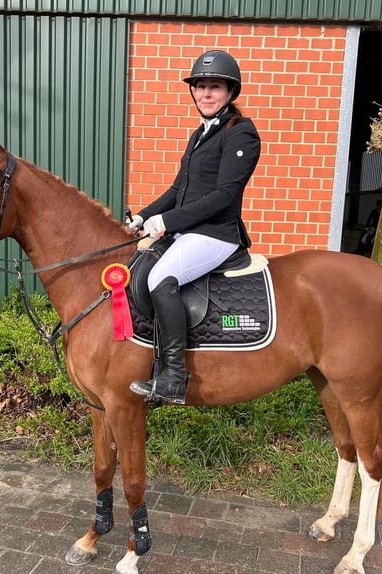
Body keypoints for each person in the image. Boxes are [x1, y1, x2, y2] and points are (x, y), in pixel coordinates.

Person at [126, 50, 261, 404]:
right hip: (189, 231)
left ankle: (172, 377)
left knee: (160, 279)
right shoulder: (199, 134)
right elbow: (178, 190)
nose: (206, 94)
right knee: (140, 270)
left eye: (214, 87)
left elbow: (224, 194)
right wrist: (142, 216)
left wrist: (168, 221)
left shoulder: (241, 133)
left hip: (216, 234)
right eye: (200, 87)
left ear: (230, 91)